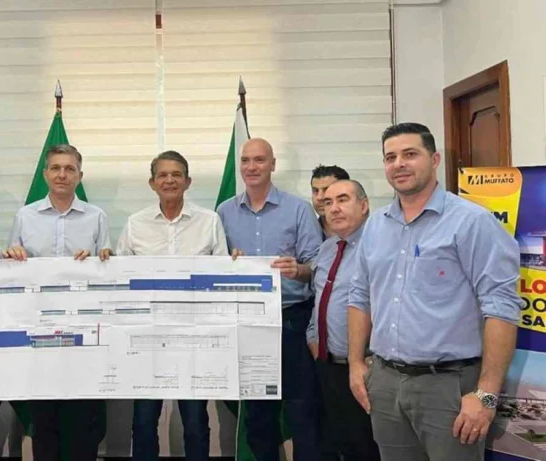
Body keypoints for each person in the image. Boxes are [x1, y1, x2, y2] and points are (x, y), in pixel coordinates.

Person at [348, 123, 523, 461]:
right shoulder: (376, 225)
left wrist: (486, 396)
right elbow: (359, 296)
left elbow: (501, 307)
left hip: (449, 387)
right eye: (390, 157)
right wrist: (355, 364)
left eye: (410, 154)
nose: (399, 163)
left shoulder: (472, 222)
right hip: (385, 383)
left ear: (435, 159)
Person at [116, 150, 228, 461]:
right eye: (162, 175)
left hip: (195, 337)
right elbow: (120, 278)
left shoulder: (209, 221)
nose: (169, 180)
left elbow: (222, 276)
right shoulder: (135, 223)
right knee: (143, 420)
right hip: (147, 338)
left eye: (176, 174)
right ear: (152, 183)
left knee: (195, 420)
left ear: (188, 181)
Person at [4, 144, 111, 461]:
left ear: (80, 175)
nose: (62, 174)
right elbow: (11, 270)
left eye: (69, 169)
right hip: (39, 332)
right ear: (45, 174)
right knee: (44, 418)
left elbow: (109, 271)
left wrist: (99, 261)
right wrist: (12, 257)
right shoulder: (25, 216)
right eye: (55, 168)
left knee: (84, 419)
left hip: (84, 332)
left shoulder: (96, 217)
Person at [217, 138, 322, 461]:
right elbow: (215, 266)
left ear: (273, 164)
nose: (252, 167)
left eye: (260, 160)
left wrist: (298, 270)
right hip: (248, 324)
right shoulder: (224, 212)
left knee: (302, 410)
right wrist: (228, 264)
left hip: (292, 320)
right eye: (246, 160)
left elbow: (317, 266)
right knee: (258, 414)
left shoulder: (298, 209)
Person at [306, 179, 379, 461]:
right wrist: (313, 336)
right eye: (328, 203)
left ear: (364, 205)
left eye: (343, 200)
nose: (334, 209)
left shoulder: (378, 247)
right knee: (341, 443)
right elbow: (318, 298)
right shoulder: (327, 249)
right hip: (328, 365)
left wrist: (371, 356)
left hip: (367, 367)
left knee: (369, 446)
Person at [310, 165, 350, 239]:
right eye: (315, 191)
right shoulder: (306, 231)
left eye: (327, 190)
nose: (319, 197)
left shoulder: (367, 230)